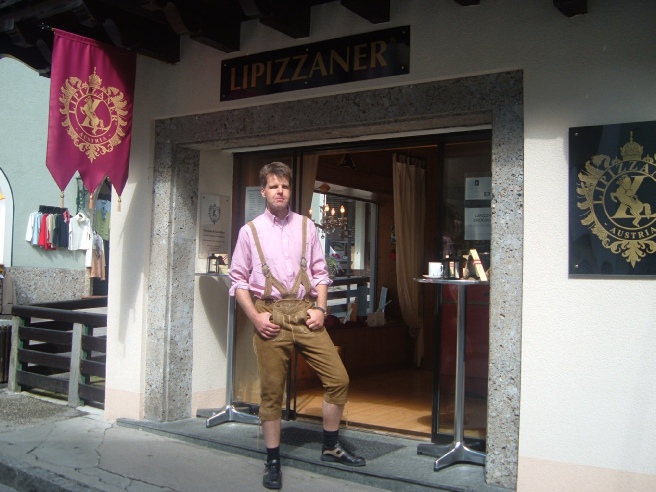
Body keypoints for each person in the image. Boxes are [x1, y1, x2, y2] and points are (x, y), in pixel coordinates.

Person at [229, 162, 365, 490]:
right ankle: (273, 461)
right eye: (274, 186)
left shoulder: (306, 226)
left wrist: (321, 308)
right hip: (270, 316)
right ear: (263, 191)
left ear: (290, 190)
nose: (280, 191)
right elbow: (238, 281)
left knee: (338, 379)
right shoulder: (249, 232)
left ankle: (330, 445)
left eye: (285, 186)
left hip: (306, 313)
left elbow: (320, 272)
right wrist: (255, 317)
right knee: (272, 392)